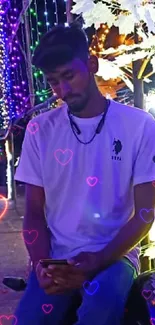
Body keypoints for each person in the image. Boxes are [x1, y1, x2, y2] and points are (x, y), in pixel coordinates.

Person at [14, 24, 155, 325]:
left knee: (99, 311)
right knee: (30, 319)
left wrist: (99, 260)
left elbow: (145, 212)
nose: (62, 91)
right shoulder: (40, 131)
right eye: (53, 82)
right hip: (57, 259)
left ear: (91, 64)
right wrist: (41, 264)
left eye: (69, 76)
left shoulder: (139, 126)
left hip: (115, 257)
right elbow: (34, 213)